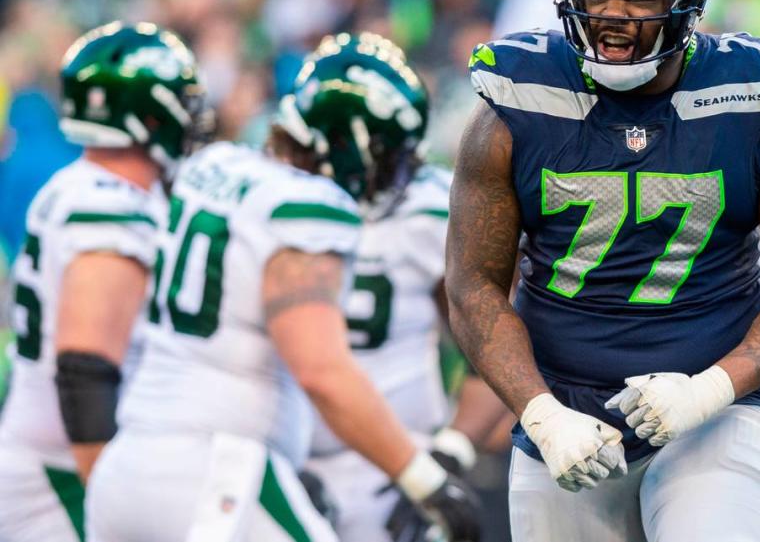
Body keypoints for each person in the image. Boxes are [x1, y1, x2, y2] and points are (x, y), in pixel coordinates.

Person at [446, 0, 760, 542]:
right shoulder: (515, 102)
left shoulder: (759, 104)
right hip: (567, 416)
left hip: (716, 414)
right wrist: (541, 412)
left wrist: (711, 388)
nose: (612, 15)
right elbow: (472, 287)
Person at [85, 31, 482, 542]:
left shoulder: (215, 166)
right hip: (220, 469)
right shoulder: (309, 206)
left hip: (132, 460)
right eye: (387, 155)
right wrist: (429, 483)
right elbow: (322, 370)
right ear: (348, 144)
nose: (398, 174)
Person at [0, 21, 208, 542]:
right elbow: (83, 370)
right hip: (67, 478)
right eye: (180, 102)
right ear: (149, 113)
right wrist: (116, 499)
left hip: (56, 460)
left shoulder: (79, 185)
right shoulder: (110, 205)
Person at [297, 33, 507, 542]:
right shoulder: (277, 205)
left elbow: (498, 343)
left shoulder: (430, 207)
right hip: (290, 455)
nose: (405, 165)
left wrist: (450, 451)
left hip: (401, 463)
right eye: (389, 149)